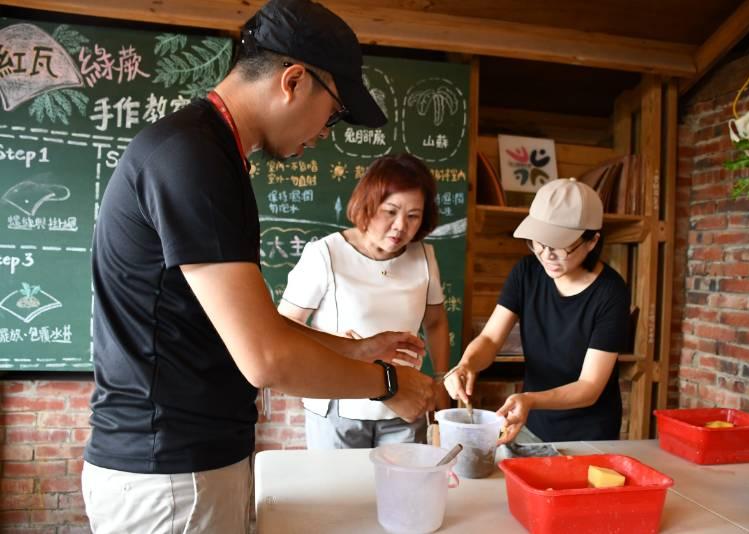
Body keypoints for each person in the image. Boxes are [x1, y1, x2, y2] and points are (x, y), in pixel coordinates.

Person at [81, 1, 435, 532]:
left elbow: (253, 329)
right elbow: (266, 358)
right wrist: (386, 382)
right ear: (294, 80)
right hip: (172, 472)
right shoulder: (194, 159)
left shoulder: (207, 153)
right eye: (334, 112)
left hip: (185, 463)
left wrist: (355, 349)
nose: (326, 133)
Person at [278, 153, 451, 449]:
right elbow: (284, 324)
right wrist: (336, 342)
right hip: (338, 404)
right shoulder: (326, 254)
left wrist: (441, 379)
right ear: (368, 204)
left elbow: (435, 322)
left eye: (413, 216)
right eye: (390, 211)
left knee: (402, 492)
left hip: (405, 402)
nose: (400, 227)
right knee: (340, 494)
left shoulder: (424, 257)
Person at [444, 178, 630, 444]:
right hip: (532, 425)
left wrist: (530, 399)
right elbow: (490, 339)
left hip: (589, 434)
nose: (546, 254)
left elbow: (589, 387)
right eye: (538, 242)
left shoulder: (610, 293)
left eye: (560, 245)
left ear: (592, 241)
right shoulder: (527, 272)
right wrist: (467, 364)